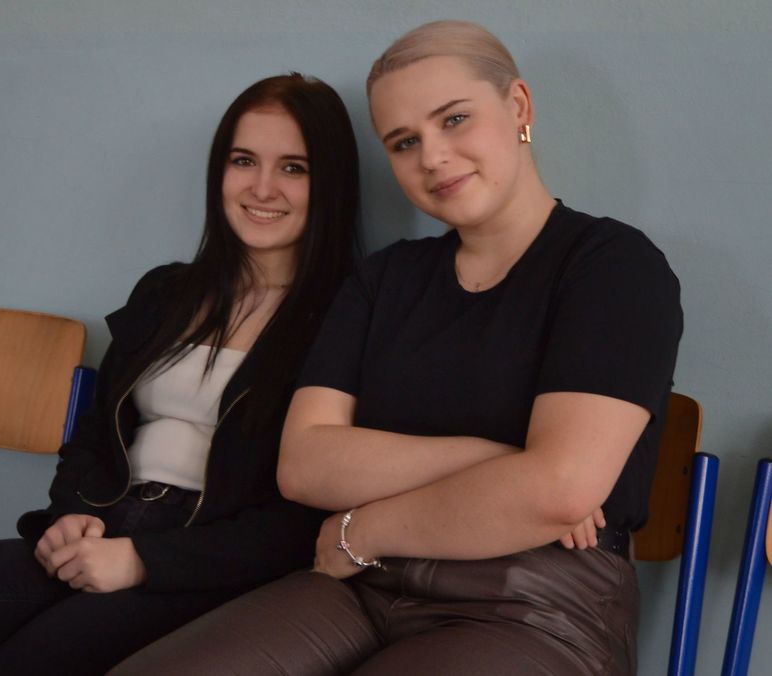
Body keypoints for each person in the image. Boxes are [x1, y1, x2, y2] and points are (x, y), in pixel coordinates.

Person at [109, 20, 682, 676]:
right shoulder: (385, 278)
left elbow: (557, 491)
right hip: (360, 586)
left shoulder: (611, 266)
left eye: (455, 119)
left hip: (533, 598)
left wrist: (365, 528)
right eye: (404, 142)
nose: (432, 157)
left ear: (518, 106)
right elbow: (305, 464)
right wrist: (500, 461)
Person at [0, 72, 360, 675]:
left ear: (330, 182)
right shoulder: (167, 292)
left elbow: (305, 517)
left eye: (294, 167)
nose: (262, 187)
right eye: (243, 161)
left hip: (208, 565)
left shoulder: (347, 317)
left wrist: (146, 561)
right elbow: (92, 436)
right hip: (102, 524)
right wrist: (67, 515)